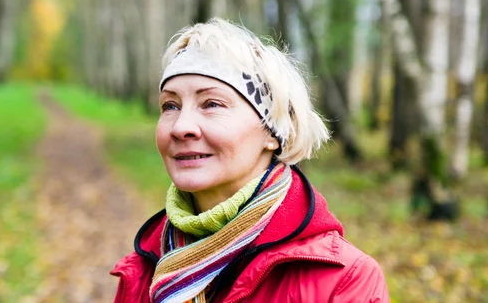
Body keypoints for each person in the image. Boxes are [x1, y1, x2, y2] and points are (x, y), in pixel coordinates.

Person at [111, 18, 389, 303]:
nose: (181, 127)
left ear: (272, 131)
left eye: (211, 104)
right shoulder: (143, 268)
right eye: (170, 105)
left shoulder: (343, 281)